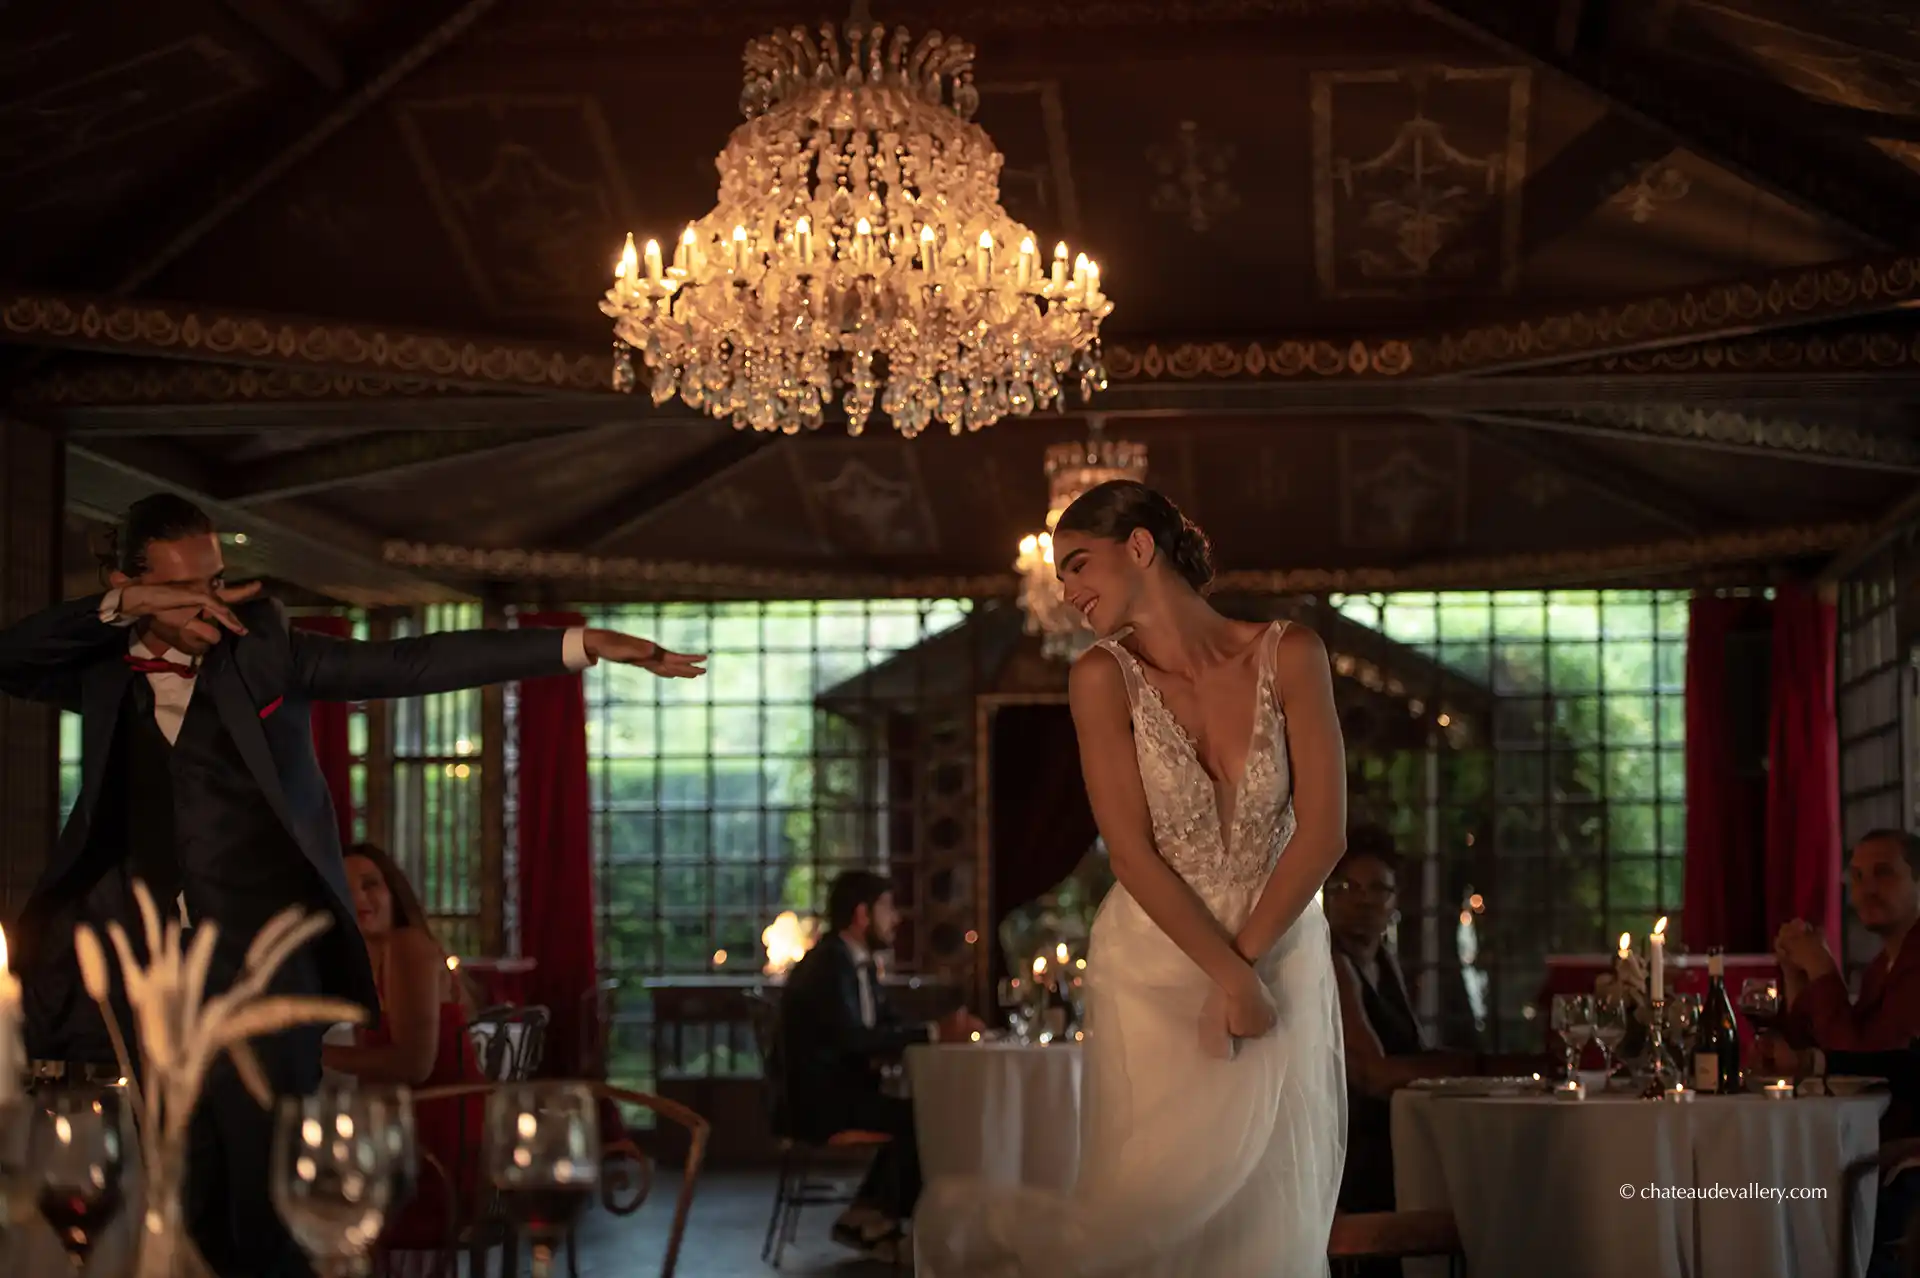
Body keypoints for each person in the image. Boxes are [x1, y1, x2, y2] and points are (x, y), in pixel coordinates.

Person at [0, 492, 705, 1278]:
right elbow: (10, 659)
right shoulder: (101, 669)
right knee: (183, 1202)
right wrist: (123, 609)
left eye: (216, 581)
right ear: (129, 583)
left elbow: (418, 662)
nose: (207, 603)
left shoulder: (265, 653)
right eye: (181, 588)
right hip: (149, 985)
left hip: (268, 979)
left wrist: (579, 644)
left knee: (267, 1213)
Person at [916, 481, 1348, 1277]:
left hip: (1285, 948)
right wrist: (1226, 976)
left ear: (1141, 548)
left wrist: (1247, 972)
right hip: (1156, 964)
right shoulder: (1098, 677)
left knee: (1270, 1209)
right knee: (1153, 1196)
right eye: (1060, 576)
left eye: (1078, 565)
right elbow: (1131, 852)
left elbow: (1323, 834)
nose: (1067, 592)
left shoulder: (1292, 654)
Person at [1327, 826, 1539, 1220]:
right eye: (1347, 887)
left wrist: (1507, 1068)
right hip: (1353, 1157)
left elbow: (1413, 1054)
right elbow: (1372, 1073)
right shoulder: (1332, 963)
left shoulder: (1383, 961)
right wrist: (1481, 1068)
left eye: (1377, 889)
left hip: (1398, 1139)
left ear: (1394, 901)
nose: (1363, 901)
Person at [777, 870, 985, 1262]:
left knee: (930, 1113)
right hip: (820, 1103)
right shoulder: (827, 967)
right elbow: (853, 1040)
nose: (897, 919)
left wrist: (939, 1027)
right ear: (861, 914)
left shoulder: (856, 963)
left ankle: (872, 1215)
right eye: (888, 908)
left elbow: (888, 1025)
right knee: (929, 1118)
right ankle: (875, 1217)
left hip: (846, 1093)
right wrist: (936, 1034)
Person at [323, 843, 483, 1254]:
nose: (359, 897)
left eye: (371, 885)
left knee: (294, 1186)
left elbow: (413, 1065)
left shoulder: (407, 946)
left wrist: (309, 1053)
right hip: (408, 1134)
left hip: (435, 1156)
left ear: (395, 893)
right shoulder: (368, 961)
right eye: (346, 886)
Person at [1776, 830, 1920, 1057]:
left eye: (1883, 873)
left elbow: (1861, 1063)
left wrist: (1822, 971)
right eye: (1857, 876)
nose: (1867, 889)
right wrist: (1796, 976)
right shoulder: (1879, 968)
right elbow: (1812, 1054)